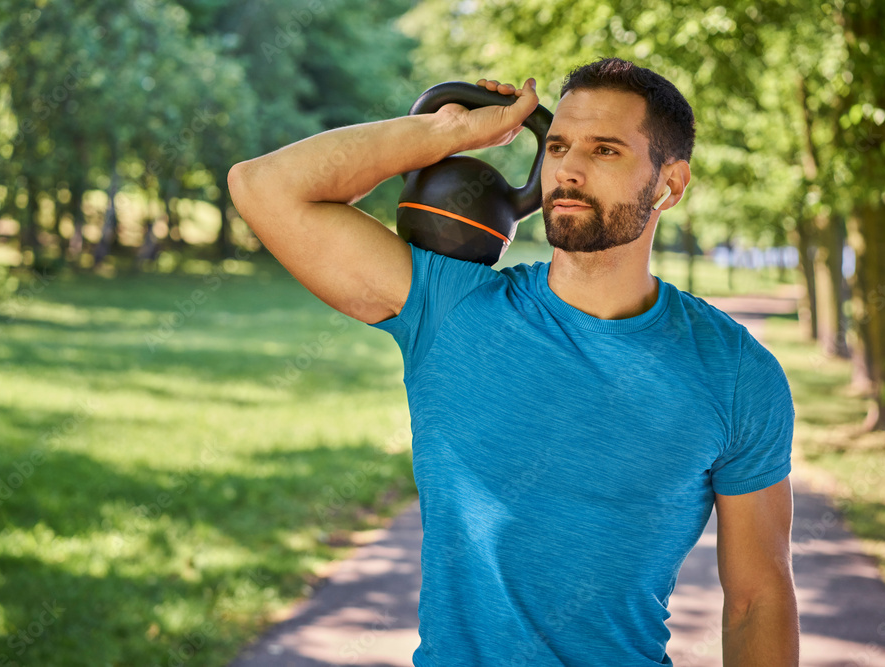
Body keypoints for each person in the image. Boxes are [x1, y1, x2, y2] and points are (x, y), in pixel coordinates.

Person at [227, 57, 799, 666]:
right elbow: (263, 186)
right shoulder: (448, 308)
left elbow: (758, 598)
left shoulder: (737, 373)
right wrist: (448, 134)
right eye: (556, 146)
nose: (569, 170)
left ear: (669, 183)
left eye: (605, 151)